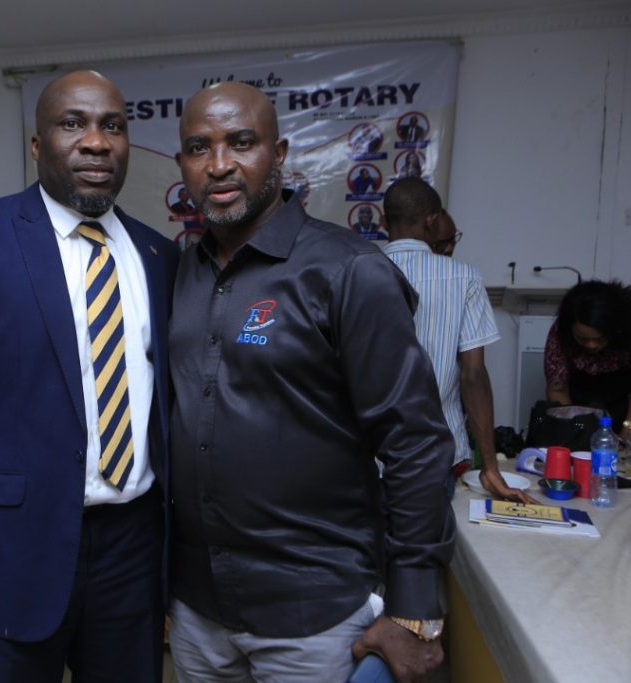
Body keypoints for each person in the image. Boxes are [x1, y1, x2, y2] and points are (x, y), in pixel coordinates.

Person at [169, 82, 454, 682]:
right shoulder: (181, 274)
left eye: (241, 142)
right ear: (182, 164)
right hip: (198, 610)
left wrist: (414, 608)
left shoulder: (348, 270)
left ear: (279, 154)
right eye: (199, 147)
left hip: (315, 613)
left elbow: (414, 441)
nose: (219, 164)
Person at [0, 70, 179, 681]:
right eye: (72, 123)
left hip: (133, 553)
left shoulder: (159, 255)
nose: (96, 141)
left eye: (112, 126)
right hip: (11, 558)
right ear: (36, 144)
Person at [383, 178, 534, 504]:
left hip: (365, 456)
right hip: (434, 454)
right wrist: (490, 466)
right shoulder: (463, 277)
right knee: (429, 537)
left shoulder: (350, 270)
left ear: (382, 222)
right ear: (432, 221)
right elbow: (473, 375)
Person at [545, 279, 631, 431]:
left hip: (623, 403)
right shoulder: (560, 333)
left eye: (600, 338)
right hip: (576, 401)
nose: (592, 345)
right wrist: (576, 430)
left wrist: (627, 431)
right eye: (583, 339)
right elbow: (558, 390)